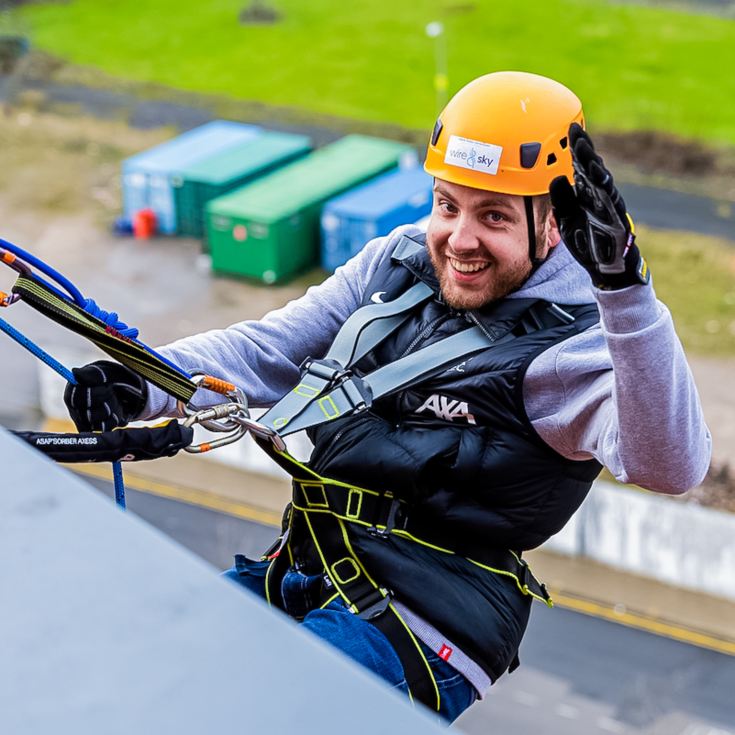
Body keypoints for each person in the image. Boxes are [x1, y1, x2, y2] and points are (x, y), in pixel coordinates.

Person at [64, 71, 711, 723]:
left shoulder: (577, 347)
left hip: (428, 622)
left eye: (492, 216)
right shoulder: (398, 262)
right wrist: (141, 382)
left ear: (553, 225)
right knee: (156, 675)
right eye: (447, 204)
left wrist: (626, 293)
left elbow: (669, 466)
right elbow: (270, 351)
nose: (458, 239)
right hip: (312, 562)